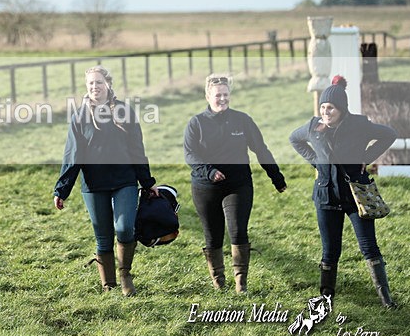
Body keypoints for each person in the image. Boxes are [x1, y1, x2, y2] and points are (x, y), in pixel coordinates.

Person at [289, 76, 397, 308]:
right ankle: (326, 300)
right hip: (326, 197)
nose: (325, 112)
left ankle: (386, 300)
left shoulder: (359, 125)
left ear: (342, 109)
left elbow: (389, 134)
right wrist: (316, 162)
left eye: (331, 108)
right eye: (323, 107)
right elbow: (294, 139)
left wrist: (367, 157)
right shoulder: (313, 127)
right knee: (330, 251)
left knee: (369, 247)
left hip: (356, 196)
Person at [53, 66, 158, 297]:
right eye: (91, 83)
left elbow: (137, 150)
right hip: (94, 185)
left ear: (108, 84)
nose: (95, 87)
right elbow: (73, 156)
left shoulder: (124, 111)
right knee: (103, 236)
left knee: (124, 228)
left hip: (125, 181)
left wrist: (147, 181)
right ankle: (108, 285)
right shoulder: (79, 117)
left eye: (99, 82)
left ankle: (125, 274)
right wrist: (62, 190)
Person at [184, 74, 286, 293]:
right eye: (218, 95)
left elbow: (261, 149)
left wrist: (276, 177)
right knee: (213, 235)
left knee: (238, 230)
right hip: (205, 186)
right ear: (207, 96)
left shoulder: (242, 120)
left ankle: (241, 283)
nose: (222, 99)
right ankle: (219, 282)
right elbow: (190, 154)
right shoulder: (196, 123)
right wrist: (209, 171)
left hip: (238, 184)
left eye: (225, 94)